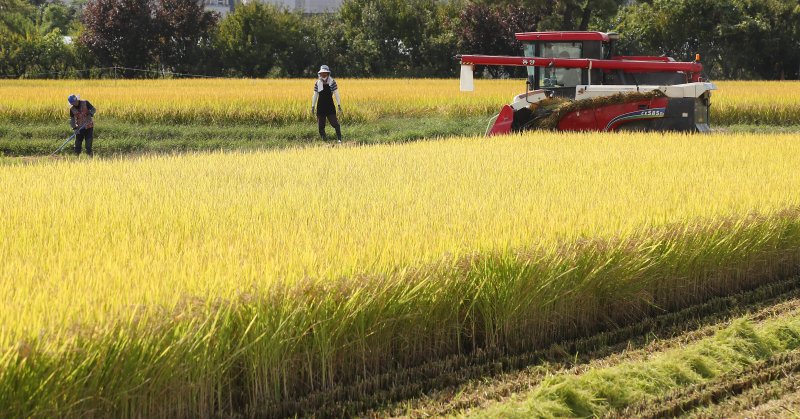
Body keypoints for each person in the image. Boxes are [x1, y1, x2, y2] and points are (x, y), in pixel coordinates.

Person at [311, 65, 343, 143]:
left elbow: (336, 93)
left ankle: (339, 138)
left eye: (325, 73)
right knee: (321, 125)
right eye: (322, 73)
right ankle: (325, 141)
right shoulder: (317, 83)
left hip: (330, 105)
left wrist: (339, 105)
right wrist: (313, 106)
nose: (324, 74)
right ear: (320, 74)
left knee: (334, 123)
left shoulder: (332, 82)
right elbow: (315, 94)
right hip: (320, 106)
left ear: (328, 73)